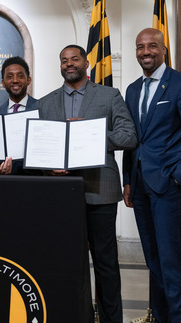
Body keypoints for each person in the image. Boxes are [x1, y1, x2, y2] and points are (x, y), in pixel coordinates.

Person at [38, 44, 137, 323]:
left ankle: (110, 319)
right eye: (64, 60)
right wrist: (48, 167)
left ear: (86, 62)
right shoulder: (46, 102)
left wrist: (91, 135)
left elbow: (129, 136)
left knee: (106, 264)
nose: (69, 64)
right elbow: (40, 147)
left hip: (100, 190)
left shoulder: (109, 95)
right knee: (68, 263)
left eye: (74, 59)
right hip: (61, 194)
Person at [122, 28, 181, 322]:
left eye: (151, 46)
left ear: (163, 49)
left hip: (168, 187)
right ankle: (159, 317)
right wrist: (127, 180)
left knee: (171, 261)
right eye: (140, 47)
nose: (145, 52)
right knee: (153, 260)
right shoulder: (133, 89)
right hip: (140, 186)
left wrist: (180, 177)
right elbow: (132, 139)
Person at [0, 56, 39, 175]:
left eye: (20, 76)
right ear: (3, 83)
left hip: (36, 181)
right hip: (5, 183)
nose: (15, 80)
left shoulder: (42, 109)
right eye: (9, 77)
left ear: (28, 80)